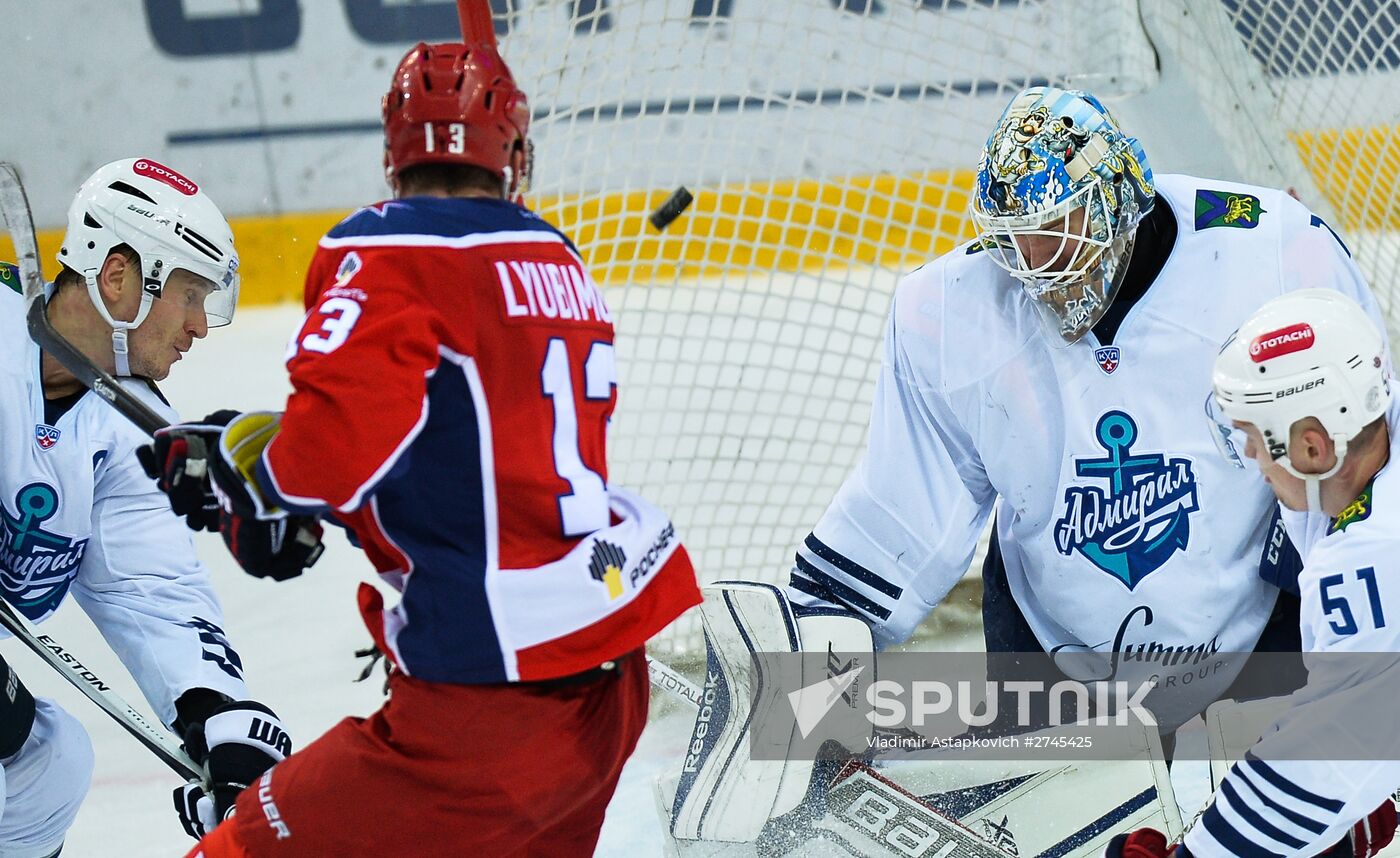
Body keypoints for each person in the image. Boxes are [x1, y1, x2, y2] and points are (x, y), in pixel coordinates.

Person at [674, 85, 1392, 831]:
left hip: (1260, 635)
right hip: (1051, 656)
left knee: (1294, 823)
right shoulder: (947, 312)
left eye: (1061, 226)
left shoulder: (1274, 249)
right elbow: (904, 517)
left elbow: (1363, 445)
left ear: (1119, 198)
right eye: (1017, 235)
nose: (1039, 261)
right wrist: (812, 664)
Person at [142, 40, 702, 857]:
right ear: (512, 154)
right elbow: (468, 451)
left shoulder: (382, 251)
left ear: (391, 154)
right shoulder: (557, 257)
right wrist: (284, 480)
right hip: (610, 678)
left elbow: (328, 458)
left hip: (489, 708)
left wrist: (246, 480)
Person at [0, 158, 290, 857]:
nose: (200, 325)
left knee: (47, 766)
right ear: (119, 275)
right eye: (189, 295)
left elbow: (151, 587)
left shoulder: (128, 428)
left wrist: (215, 714)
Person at [1105, 289, 1400, 857]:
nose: (1247, 455)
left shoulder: (1373, 557)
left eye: (1255, 439)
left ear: (1313, 446)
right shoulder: (1371, 434)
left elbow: (1327, 755)